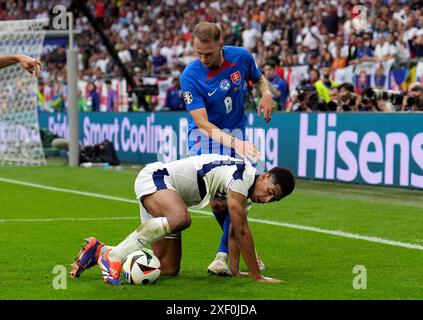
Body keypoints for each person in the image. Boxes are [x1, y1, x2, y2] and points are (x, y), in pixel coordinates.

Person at [69, 154, 295, 284]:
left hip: (169, 196)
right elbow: (242, 232)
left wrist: (236, 270)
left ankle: (98, 251)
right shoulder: (243, 177)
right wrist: (258, 277)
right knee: (182, 218)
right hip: (156, 179)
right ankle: (116, 256)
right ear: (264, 176)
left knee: (166, 268)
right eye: (270, 192)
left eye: (272, 200)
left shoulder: (244, 194)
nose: (266, 200)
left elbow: (234, 233)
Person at [179, 21, 275, 276]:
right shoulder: (190, 75)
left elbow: (259, 78)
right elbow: (201, 122)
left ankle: (223, 255)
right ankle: (244, 251)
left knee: (237, 198)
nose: (202, 58)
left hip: (236, 134)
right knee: (218, 203)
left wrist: (266, 94)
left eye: (207, 53)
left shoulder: (241, 57)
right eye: (198, 53)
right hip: (205, 139)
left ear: (221, 44)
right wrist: (236, 143)